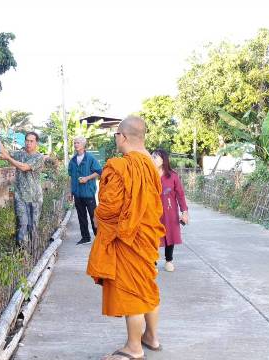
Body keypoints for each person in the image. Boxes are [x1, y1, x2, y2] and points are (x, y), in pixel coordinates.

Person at [86, 115, 166, 360]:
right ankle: (151, 337)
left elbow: (109, 208)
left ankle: (134, 347)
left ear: (122, 136)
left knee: (131, 290)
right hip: (146, 236)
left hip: (128, 238)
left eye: (116, 135)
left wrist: (98, 217)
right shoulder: (152, 167)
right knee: (146, 286)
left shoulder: (122, 167)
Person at [0, 132, 45, 246]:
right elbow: (4, 152)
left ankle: (33, 250)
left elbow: (24, 167)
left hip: (35, 198)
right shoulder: (19, 154)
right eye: (27, 140)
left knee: (33, 226)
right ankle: (22, 253)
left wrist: (8, 158)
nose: (28, 143)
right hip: (20, 196)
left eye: (31, 141)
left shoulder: (39, 157)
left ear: (36, 143)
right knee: (22, 224)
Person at [151, 149, 189, 272]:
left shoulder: (173, 176)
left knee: (169, 236)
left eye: (156, 157)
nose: (153, 159)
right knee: (152, 237)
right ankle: (153, 262)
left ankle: (169, 260)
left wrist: (184, 212)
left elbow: (180, 195)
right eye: (152, 157)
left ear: (163, 160)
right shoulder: (149, 175)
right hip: (152, 212)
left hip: (170, 212)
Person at [68, 136, 102, 245]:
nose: (76, 145)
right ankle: (85, 237)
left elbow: (99, 171)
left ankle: (99, 237)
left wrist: (87, 178)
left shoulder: (90, 158)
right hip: (77, 194)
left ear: (83, 145)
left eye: (77, 143)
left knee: (94, 216)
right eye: (74, 143)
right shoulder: (73, 160)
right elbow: (71, 177)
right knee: (81, 216)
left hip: (88, 193)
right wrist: (70, 192)